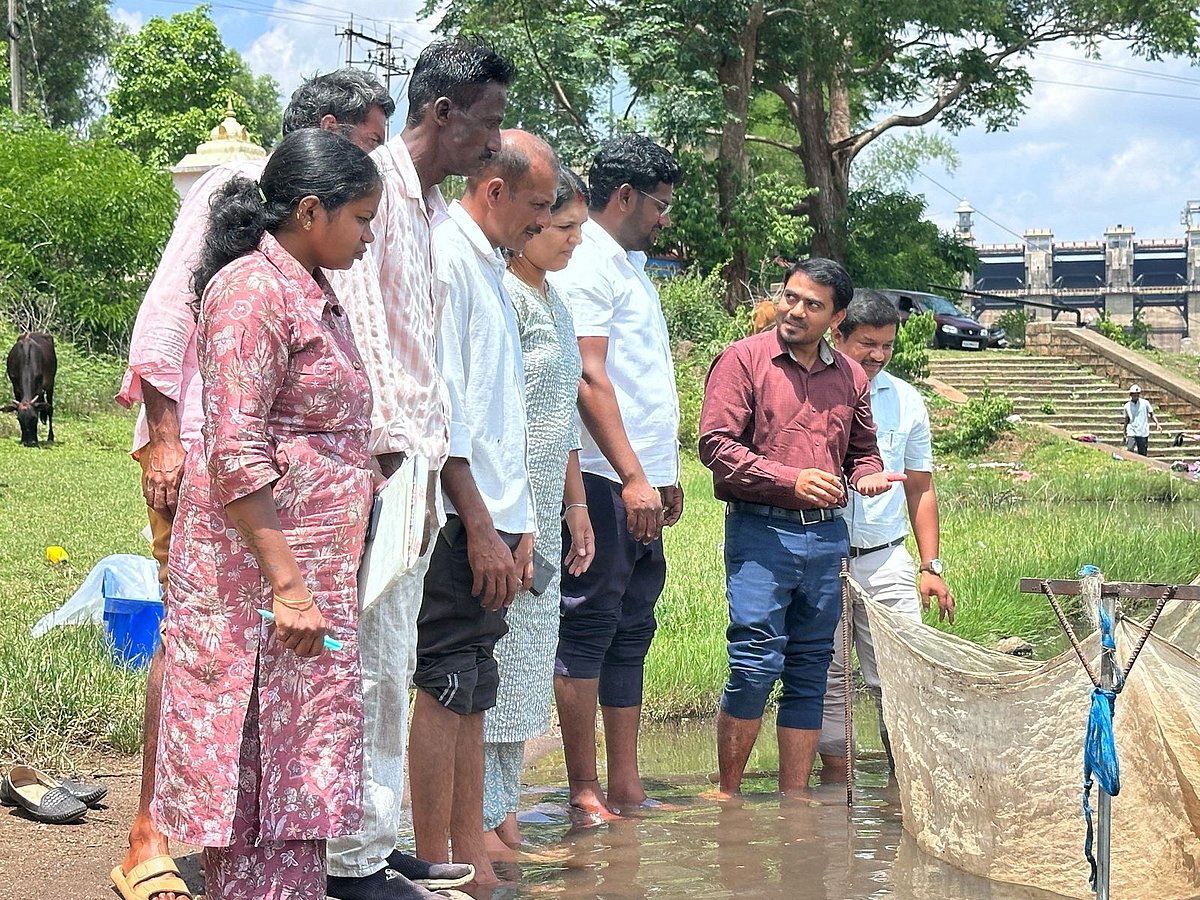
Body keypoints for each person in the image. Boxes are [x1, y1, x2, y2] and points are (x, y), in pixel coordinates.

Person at [112, 68, 394, 900]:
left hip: (302, 589)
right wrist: (289, 586)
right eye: (363, 221)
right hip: (260, 593)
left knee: (294, 782)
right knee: (252, 781)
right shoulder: (248, 293)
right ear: (312, 212)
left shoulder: (309, 292)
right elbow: (234, 454)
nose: (370, 239)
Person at [324, 39, 516, 900]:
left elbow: (425, 362)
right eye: (489, 120)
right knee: (365, 666)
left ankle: (372, 840)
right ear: (442, 112)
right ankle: (350, 862)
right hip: (377, 469)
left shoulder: (433, 213)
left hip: (415, 476)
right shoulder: (379, 197)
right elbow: (370, 349)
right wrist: (389, 475)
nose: (495, 141)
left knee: (391, 659)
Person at [409, 130, 559, 886]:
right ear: (494, 191)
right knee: (443, 678)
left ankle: (467, 841)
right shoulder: (447, 259)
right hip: (459, 515)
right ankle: (434, 854)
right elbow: (448, 412)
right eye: (536, 206)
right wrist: (478, 525)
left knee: (474, 678)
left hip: (499, 516)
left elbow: (508, 414)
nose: (542, 222)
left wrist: (523, 521)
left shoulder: (492, 267)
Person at [697, 258, 904, 798]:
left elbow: (861, 452)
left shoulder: (850, 375)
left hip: (827, 537)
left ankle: (795, 800)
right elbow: (716, 447)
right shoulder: (744, 360)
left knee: (812, 667)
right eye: (791, 297)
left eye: (812, 305)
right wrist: (791, 480)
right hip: (760, 532)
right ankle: (728, 795)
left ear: (835, 319)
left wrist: (868, 477)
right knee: (753, 658)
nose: (794, 310)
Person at [549, 135, 684, 819]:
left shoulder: (629, 265)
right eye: (659, 205)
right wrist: (633, 478)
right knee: (589, 623)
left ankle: (626, 783)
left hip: (639, 479)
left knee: (634, 624)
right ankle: (582, 787)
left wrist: (667, 475)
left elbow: (645, 380)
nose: (665, 218)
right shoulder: (585, 264)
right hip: (601, 478)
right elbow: (588, 375)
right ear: (625, 196)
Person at [482, 167, 596, 853]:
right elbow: (500, 420)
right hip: (503, 514)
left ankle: (505, 813)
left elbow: (560, 417)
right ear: (528, 221)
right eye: (563, 227)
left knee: (526, 672)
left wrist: (575, 507)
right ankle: (485, 824)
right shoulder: (502, 296)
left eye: (580, 227)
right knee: (493, 668)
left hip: (546, 512)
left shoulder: (554, 299)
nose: (575, 241)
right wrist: (516, 522)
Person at [816, 289, 956, 782]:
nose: (878, 355)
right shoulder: (813, 389)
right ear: (838, 335)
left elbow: (920, 487)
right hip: (821, 552)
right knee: (828, 675)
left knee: (900, 674)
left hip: (885, 556)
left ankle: (905, 786)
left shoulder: (906, 400)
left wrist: (930, 566)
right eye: (867, 344)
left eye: (888, 346)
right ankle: (835, 784)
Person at [1122, 384, 1161, 456]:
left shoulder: (1145, 403)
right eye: (1134, 395)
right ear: (1131, 395)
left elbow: (1152, 414)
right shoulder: (1127, 406)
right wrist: (1124, 431)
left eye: (1137, 394)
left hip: (1142, 431)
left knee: (1142, 452)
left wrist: (1157, 424)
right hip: (1132, 430)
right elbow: (1127, 419)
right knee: (1130, 449)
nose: (1136, 396)